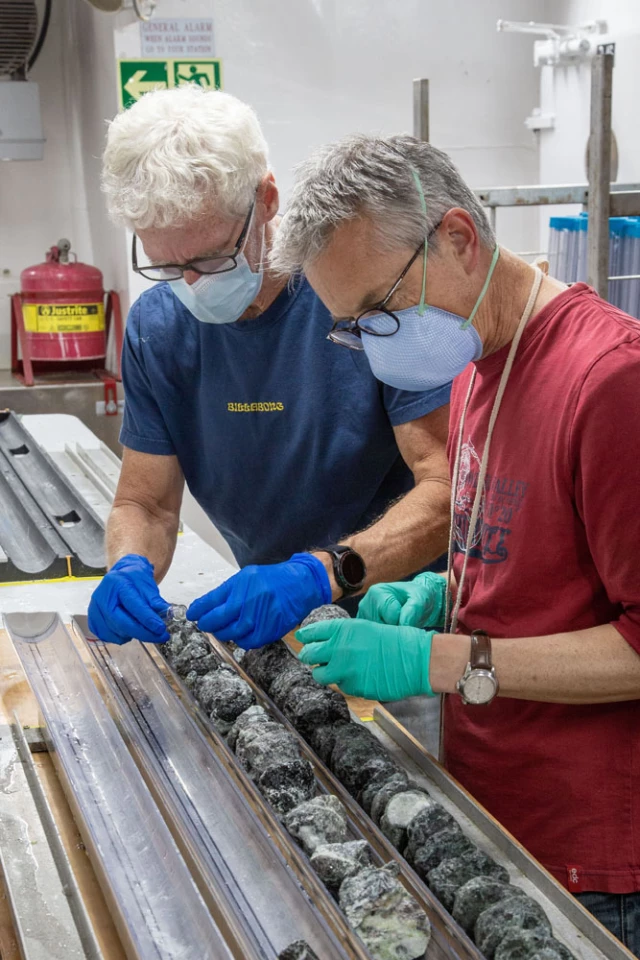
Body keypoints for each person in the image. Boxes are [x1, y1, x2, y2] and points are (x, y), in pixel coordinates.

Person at [270, 133, 640, 953]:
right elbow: (538, 554)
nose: (372, 342)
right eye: (350, 327)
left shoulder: (611, 382)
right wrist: (449, 594)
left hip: (597, 867)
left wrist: (437, 660)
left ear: (459, 239)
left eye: (378, 309)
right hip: (496, 814)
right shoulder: (476, 361)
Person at [88, 86, 452, 661]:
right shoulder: (158, 328)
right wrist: (129, 564)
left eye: (210, 259)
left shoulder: (363, 297)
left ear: (268, 200)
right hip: (278, 632)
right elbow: (147, 504)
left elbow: (448, 489)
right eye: (166, 264)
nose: (191, 284)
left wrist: (319, 574)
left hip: (405, 629)